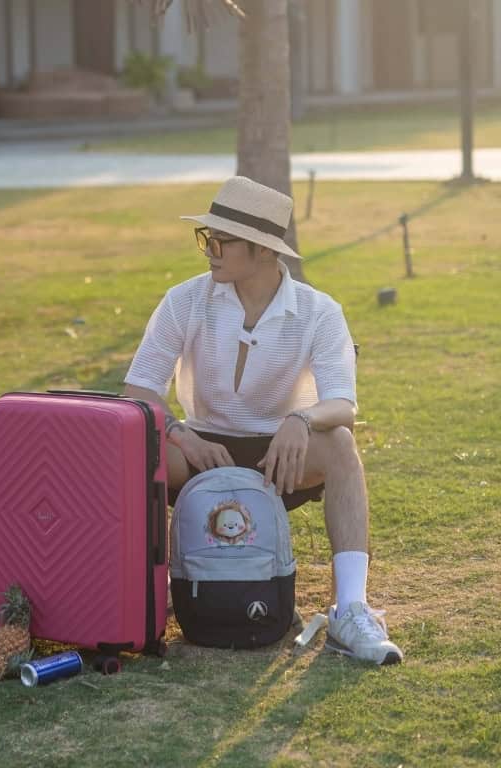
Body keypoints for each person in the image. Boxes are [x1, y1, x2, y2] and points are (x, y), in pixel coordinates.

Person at [123, 176, 403, 665]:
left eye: (220, 241)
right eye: (205, 238)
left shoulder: (319, 312)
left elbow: (343, 404)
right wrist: (180, 434)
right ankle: (140, 596)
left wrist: (301, 418)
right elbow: (139, 389)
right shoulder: (183, 300)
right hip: (200, 451)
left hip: (281, 456)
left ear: (263, 250)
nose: (208, 251)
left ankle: (351, 609)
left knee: (340, 442)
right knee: (133, 440)